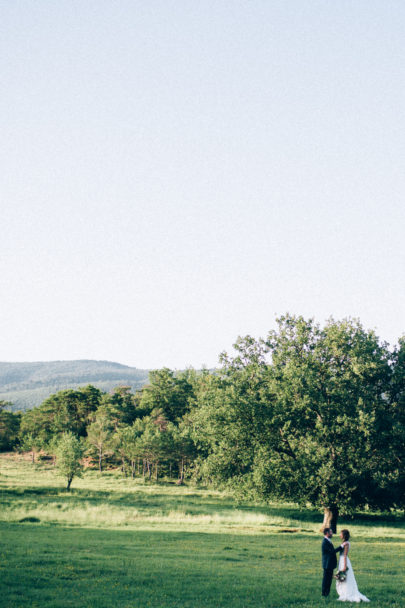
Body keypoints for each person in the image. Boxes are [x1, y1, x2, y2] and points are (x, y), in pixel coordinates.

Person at [336, 529, 370, 602]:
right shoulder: (344, 543)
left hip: (344, 561)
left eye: (341, 534)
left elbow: (345, 555)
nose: (339, 535)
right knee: (342, 577)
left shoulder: (346, 544)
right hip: (342, 561)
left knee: (345, 576)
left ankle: (347, 592)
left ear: (344, 535)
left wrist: (344, 566)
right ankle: (343, 591)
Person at [322, 527, 342, 599]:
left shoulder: (328, 541)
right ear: (327, 533)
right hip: (327, 564)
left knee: (329, 579)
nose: (332, 533)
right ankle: (324, 594)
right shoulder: (325, 542)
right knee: (326, 579)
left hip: (329, 564)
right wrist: (341, 547)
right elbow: (331, 552)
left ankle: (326, 593)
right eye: (331, 532)